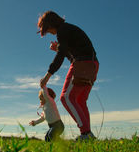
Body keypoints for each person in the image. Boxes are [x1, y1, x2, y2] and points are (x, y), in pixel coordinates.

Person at [37, 10, 99, 141]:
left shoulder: (62, 31)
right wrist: (60, 48)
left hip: (81, 64)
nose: (50, 33)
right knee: (80, 100)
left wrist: (47, 76)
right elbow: (71, 52)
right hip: (92, 64)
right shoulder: (68, 29)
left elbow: (62, 56)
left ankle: (86, 133)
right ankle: (87, 135)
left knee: (66, 97)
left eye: (48, 30)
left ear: (50, 25)